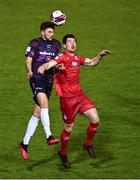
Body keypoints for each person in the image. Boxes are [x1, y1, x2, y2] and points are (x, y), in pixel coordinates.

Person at [38, 34, 111, 168]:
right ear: (65, 45)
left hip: (80, 96)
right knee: (69, 128)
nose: (73, 43)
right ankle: (63, 152)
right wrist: (44, 66)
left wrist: (100, 55)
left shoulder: (78, 58)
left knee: (95, 120)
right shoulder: (62, 57)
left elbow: (92, 62)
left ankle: (88, 144)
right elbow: (51, 63)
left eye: (74, 41)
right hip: (67, 100)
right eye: (69, 42)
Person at [18, 21, 62, 160]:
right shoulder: (34, 43)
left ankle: (24, 143)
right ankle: (49, 135)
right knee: (44, 103)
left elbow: (56, 61)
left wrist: (60, 67)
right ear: (42, 32)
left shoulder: (57, 45)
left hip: (49, 80)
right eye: (49, 32)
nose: (52, 34)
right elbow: (28, 59)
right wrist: (30, 71)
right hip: (36, 77)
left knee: (37, 113)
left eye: (53, 32)